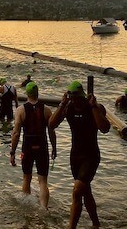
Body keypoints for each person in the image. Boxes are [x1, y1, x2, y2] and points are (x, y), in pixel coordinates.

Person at [49, 81, 110, 228]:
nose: (75, 100)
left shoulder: (94, 107)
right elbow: (51, 124)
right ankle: (96, 224)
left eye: (77, 97)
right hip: (75, 156)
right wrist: (62, 104)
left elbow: (105, 128)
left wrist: (94, 106)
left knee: (77, 191)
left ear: (83, 96)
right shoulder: (68, 107)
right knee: (85, 191)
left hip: (91, 156)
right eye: (72, 97)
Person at [9, 82, 56, 209]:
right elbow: (51, 132)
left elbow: (16, 133)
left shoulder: (21, 110)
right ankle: (43, 209)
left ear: (27, 94)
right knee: (43, 181)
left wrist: (12, 152)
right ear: (37, 93)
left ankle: (26, 210)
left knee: (26, 178)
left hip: (28, 146)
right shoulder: (46, 110)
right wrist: (54, 148)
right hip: (42, 145)